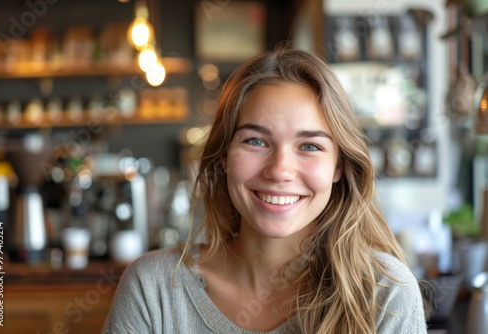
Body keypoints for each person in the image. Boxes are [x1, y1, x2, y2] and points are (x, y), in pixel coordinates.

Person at [102, 47, 428, 334]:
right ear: (224, 157)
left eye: (310, 146)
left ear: (339, 167)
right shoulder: (153, 288)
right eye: (256, 141)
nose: (280, 171)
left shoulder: (385, 294)